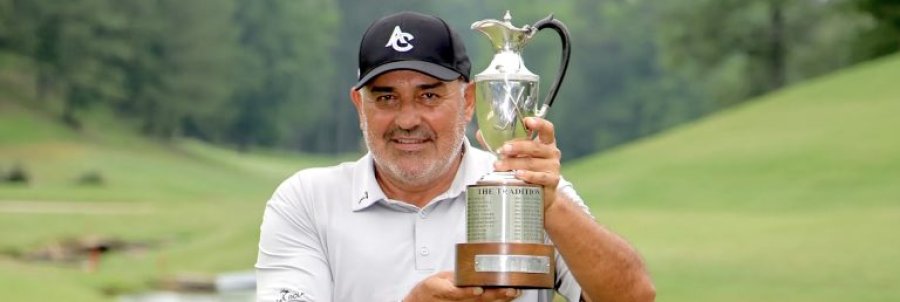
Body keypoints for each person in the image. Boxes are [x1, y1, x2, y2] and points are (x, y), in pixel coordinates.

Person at [256, 11, 655, 302]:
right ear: (359, 104)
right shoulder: (306, 200)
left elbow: (634, 297)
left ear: (468, 101)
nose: (408, 119)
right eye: (386, 98)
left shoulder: (528, 190)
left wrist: (550, 204)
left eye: (429, 95)